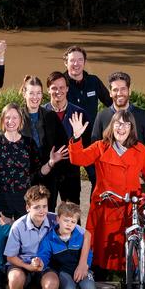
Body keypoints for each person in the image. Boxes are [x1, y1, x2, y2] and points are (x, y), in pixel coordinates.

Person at [69, 110, 145, 277]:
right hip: (105, 207)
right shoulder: (101, 146)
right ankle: (98, 286)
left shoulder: (140, 150)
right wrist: (77, 137)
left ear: (131, 128)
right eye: (118, 123)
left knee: (129, 249)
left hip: (130, 208)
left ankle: (133, 288)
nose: (121, 128)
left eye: (126, 124)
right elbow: (78, 159)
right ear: (111, 126)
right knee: (101, 249)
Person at [0, 103, 67, 218]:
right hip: (0, 199)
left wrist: (51, 162)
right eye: (7, 117)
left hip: (23, 200)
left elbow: (39, 173)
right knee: (1, 235)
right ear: (2, 120)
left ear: (20, 120)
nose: (10, 121)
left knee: (22, 235)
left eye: (14, 117)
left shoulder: (29, 143)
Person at [36, 201, 95, 289]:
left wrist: (85, 266)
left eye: (73, 221)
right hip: (63, 272)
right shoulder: (50, 238)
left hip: (82, 270)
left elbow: (89, 253)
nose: (69, 224)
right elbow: (44, 255)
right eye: (66, 220)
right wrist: (40, 262)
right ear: (58, 219)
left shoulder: (79, 236)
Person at [19, 75, 70, 210]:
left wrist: (57, 167)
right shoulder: (17, 116)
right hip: (25, 175)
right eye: (31, 93)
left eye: (38, 93)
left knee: (47, 212)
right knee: (27, 212)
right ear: (24, 94)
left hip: (49, 173)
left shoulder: (50, 116)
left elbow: (63, 144)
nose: (35, 97)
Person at [43, 71, 89, 208]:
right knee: (45, 211)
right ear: (48, 90)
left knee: (72, 213)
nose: (58, 91)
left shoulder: (79, 113)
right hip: (48, 170)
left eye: (62, 87)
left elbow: (87, 145)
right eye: (54, 88)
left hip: (71, 172)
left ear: (67, 89)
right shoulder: (41, 113)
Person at [92, 71, 145, 165]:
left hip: (136, 174)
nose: (119, 93)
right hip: (109, 174)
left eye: (123, 89)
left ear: (129, 91)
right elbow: (94, 149)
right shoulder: (101, 116)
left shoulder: (143, 115)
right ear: (110, 93)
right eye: (115, 90)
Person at [62, 45, 112, 132]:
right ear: (66, 63)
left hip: (92, 134)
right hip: (69, 136)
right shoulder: (60, 83)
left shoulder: (93, 81)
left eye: (80, 60)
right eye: (72, 60)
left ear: (84, 62)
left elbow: (111, 103)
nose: (76, 64)